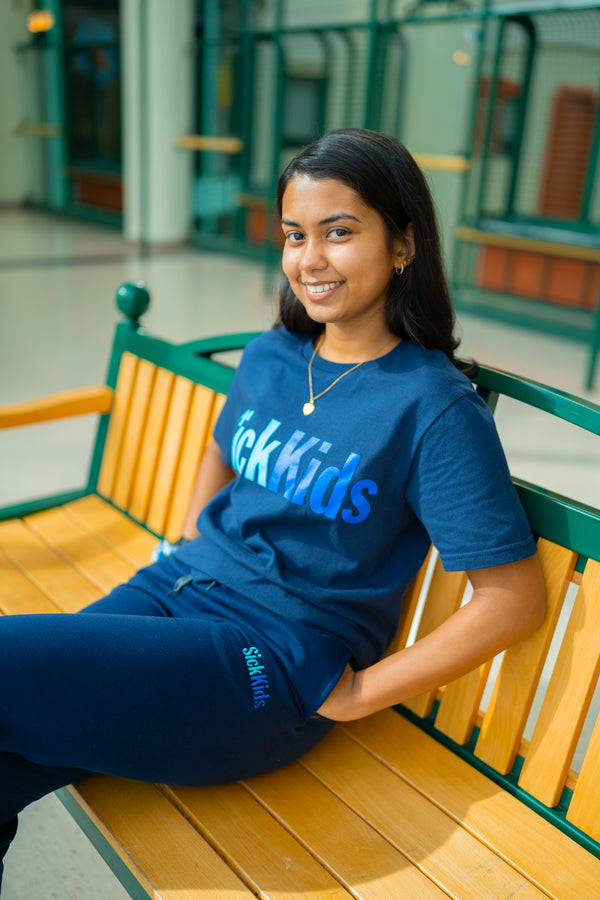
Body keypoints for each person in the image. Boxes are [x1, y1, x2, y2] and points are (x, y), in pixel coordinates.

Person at [0, 128, 545, 887]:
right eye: (295, 235)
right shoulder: (275, 355)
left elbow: (512, 599)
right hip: (172, 592)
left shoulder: (432, 407)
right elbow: (222, 449)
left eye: (340, 232)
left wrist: (355, 695)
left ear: (403, 245)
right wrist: (192, 539)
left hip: (267, 664)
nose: (310, 259)